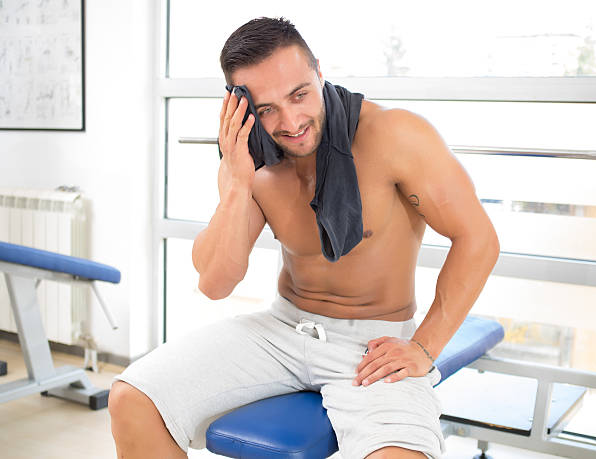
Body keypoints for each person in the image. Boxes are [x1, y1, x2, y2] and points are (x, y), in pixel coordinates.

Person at [109, 17, 500, 459]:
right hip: (281, 329)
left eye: (299, 94)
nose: (291, 121)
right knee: (132, 399)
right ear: (239, 106)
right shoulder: (249, 158)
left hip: (371, 344)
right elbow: (215, 283)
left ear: (318, 71)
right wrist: (237, 184)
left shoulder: (394, 134)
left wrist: (425, 346)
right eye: (267, 108)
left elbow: (477, 238)